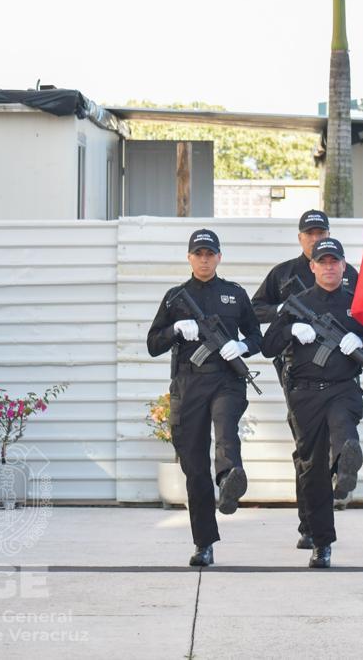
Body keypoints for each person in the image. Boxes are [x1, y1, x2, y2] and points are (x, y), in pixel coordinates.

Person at [261, 238, 363, 567]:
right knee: (312, 469)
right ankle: (322, 542)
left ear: (344, 266)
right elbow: (268, 345)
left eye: (335, 261)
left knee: (344, 431)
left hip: (342, 387)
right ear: (313, 267)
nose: (329, 267)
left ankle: (346, 464)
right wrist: (292, 330)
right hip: (304, 394)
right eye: (323, 261)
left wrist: (360, 339)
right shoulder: (295, 304)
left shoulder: (357, 303)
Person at [146, 229, 263, 567]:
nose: (204, 259)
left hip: (227, 381)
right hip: (189, 384)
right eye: (198, 253)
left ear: (219, 257)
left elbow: (258, 336)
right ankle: (204, 543)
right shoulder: (175, 297)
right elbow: (153, 344)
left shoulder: (234, 294)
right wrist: (176, 329)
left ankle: (228, 479)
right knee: (194, 466)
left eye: (210, 254)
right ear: (189, 258)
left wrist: (241, 346)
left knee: (226, 427)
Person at [251, 209, 359, 550]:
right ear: (301, 239)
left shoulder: (348, 276)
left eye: (321, 231)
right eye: (310, 233)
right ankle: (309, 525)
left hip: (341, 372)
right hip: (295, 371)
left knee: (337, 435)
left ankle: (342, 470)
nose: (316, 238)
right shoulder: (283, 275)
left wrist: (361, 341)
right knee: (308, 452)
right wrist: (285, 316)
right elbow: (256, 312)